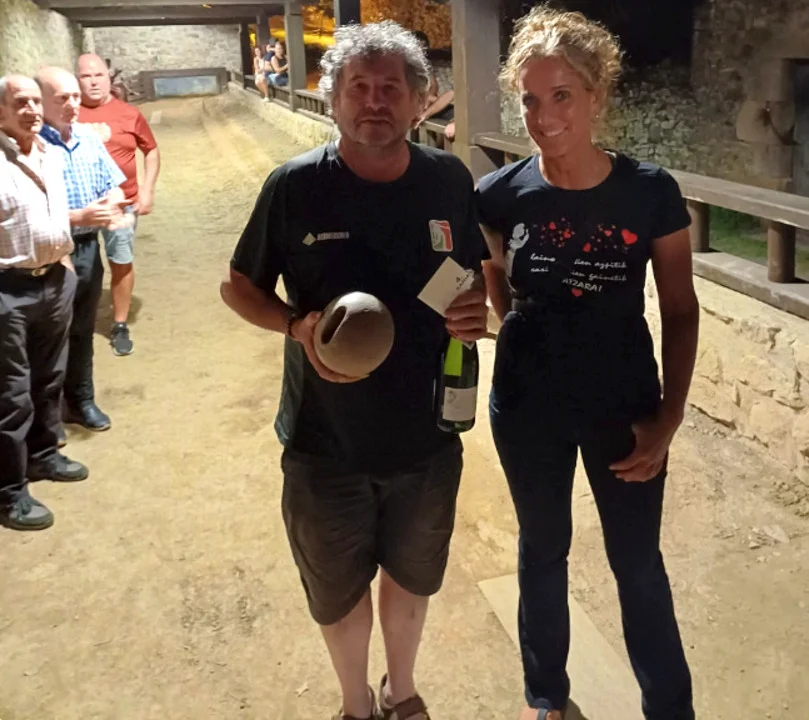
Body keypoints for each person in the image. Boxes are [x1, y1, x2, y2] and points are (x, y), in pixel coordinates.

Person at [222, 21, 489, 720]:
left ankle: (401, 691)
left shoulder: (447, 179)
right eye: (359, 87)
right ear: (333, 97)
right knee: (337, 590)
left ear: (419, 100)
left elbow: (466, 274)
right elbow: (239, 287)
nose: (375, 101)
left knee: (412, 577)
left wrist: (473, 305)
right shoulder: (295, 187)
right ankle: (355, 705)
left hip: (428, 435)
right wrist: (295, 326)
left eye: (391, 88)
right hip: (324, 440)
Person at [476, 8, 699, 720]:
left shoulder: (649, 192)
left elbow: (680, 309)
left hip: (623, 404)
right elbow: (497, 284)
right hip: (527, 404)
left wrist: (668, 419)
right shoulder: (498, 195)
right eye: (529, 100)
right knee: (543, 548)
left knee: (636, 561)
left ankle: (669, 707)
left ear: (596, 95)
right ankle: (547, 696)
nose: (544, 118)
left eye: (562, 95)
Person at [0, 75, 88, 531]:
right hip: (8, 290)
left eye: (36, 101)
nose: (32, 110)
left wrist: (65, 265)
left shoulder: (48, 153)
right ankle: (9, 492)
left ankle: (44, 454)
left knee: (49, 378)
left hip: (53, 281)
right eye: (21, 102)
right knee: (10, 394)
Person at [38, 67, 127, 433]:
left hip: (87, 248)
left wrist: (112, 202)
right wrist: (79, 216)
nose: (73, 104)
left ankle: (81, 400)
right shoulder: (33, 147)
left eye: (75, 96)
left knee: (82, 329)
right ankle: (46, 417)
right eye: (62, 98)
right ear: (42, 101)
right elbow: (26, 212)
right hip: (49, 253)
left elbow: (113, 184)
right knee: (47, 337)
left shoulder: (88, 139)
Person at [77, 52, 161, 357]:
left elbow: (151, 150)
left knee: (121, 261)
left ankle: (120, 323)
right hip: (79, 208)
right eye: (86, 76)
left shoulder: (128, 114)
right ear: (77, 80)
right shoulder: (66, 113)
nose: (93, 82)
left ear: (108, 77)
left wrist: (146, 191)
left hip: (122, 204)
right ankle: (75, 323)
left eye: (98, 75)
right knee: (79, 266)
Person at [411, 31, 455, 141]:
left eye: (424, 47)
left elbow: (435, 86)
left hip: (428, 105)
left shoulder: (425, 64)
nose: (422, 51)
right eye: (418, 47)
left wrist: (428, 103)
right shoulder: (406, 67)